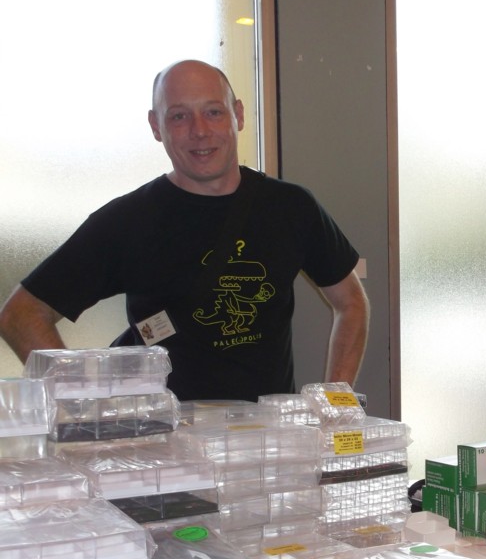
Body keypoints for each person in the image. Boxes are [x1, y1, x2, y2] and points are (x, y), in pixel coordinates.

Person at [0, 59, 369, 401]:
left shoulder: (291, 207)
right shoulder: (128, 220)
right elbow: (20, 315)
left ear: (238, 115)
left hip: (265, 440)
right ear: (156, 126)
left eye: (213, 112)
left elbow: (351, 303)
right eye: (179, 116)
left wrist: (335, 402)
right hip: (162, 443)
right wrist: (85, 405)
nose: (200, 131)